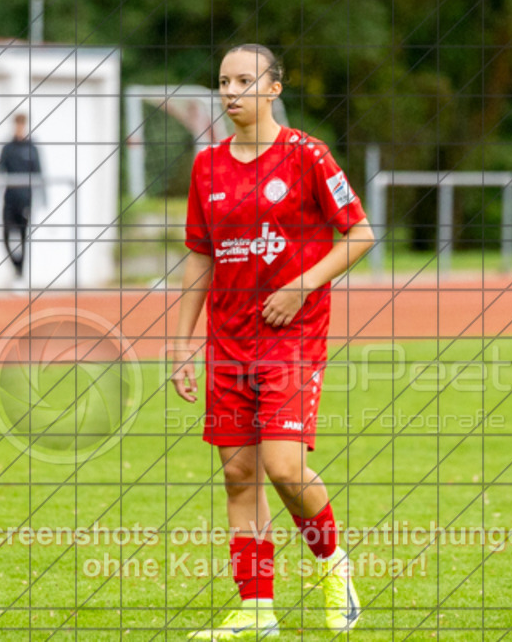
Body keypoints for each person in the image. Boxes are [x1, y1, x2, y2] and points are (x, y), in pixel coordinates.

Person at [172, 44, 375, 639]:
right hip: (226, 340)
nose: (231, 91)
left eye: (244, 80)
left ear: (274, 87)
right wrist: (182, 342)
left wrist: (300, 285)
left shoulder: (308, 155)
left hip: (291, 337)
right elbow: (199, 255)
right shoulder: (206, 164)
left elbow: (359, 235)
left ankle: (333, 567)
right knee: (239, 474)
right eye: (223, 81)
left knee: (285, 467)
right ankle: (256, 609)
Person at [0, 112, 42, 278]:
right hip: (9, 199)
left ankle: (20, 274)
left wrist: (42, 199)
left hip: (25, 200)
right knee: (6, 235)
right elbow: (0, 172)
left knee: (23, 238)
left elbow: (39, 173)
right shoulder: (7, 149)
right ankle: (16, 267)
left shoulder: (32, 148)